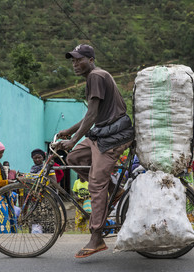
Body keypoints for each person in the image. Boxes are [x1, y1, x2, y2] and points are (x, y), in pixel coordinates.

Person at [56, 44, 134, 258]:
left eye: (78, 59)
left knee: (95, 183)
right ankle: (115, 190)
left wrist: (73, 139)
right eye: (72, 60)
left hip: (113, 137)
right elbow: (92, 114)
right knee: (74, 157)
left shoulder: (96, 77)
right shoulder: (95, 77)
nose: (74, 64)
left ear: (90, 60)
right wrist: (70, 131)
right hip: (101, 133)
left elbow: (91, 115)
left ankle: (96, 236)